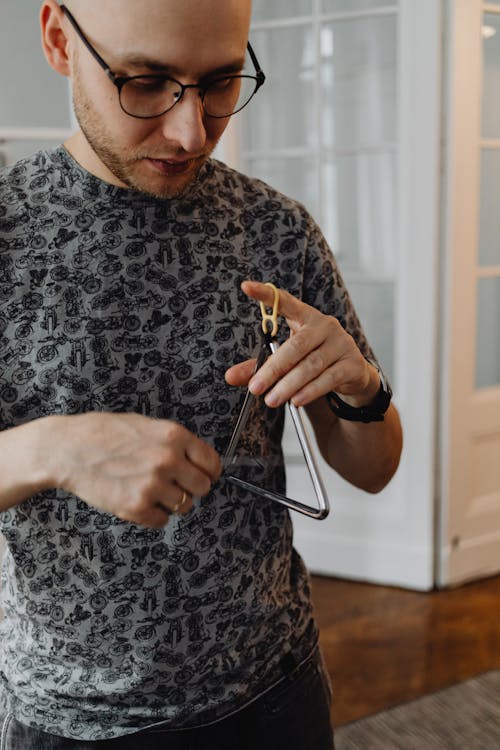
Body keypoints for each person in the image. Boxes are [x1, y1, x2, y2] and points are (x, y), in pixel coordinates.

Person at [0, 0, 403, 747]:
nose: (191, 132)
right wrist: (51, 450)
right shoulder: (10, 234)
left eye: (220, 83)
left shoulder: (276, 228)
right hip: (73, 722)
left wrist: (360, 392)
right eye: (146, 83)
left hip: (278, 692)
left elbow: (374, 470)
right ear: (59, 39)